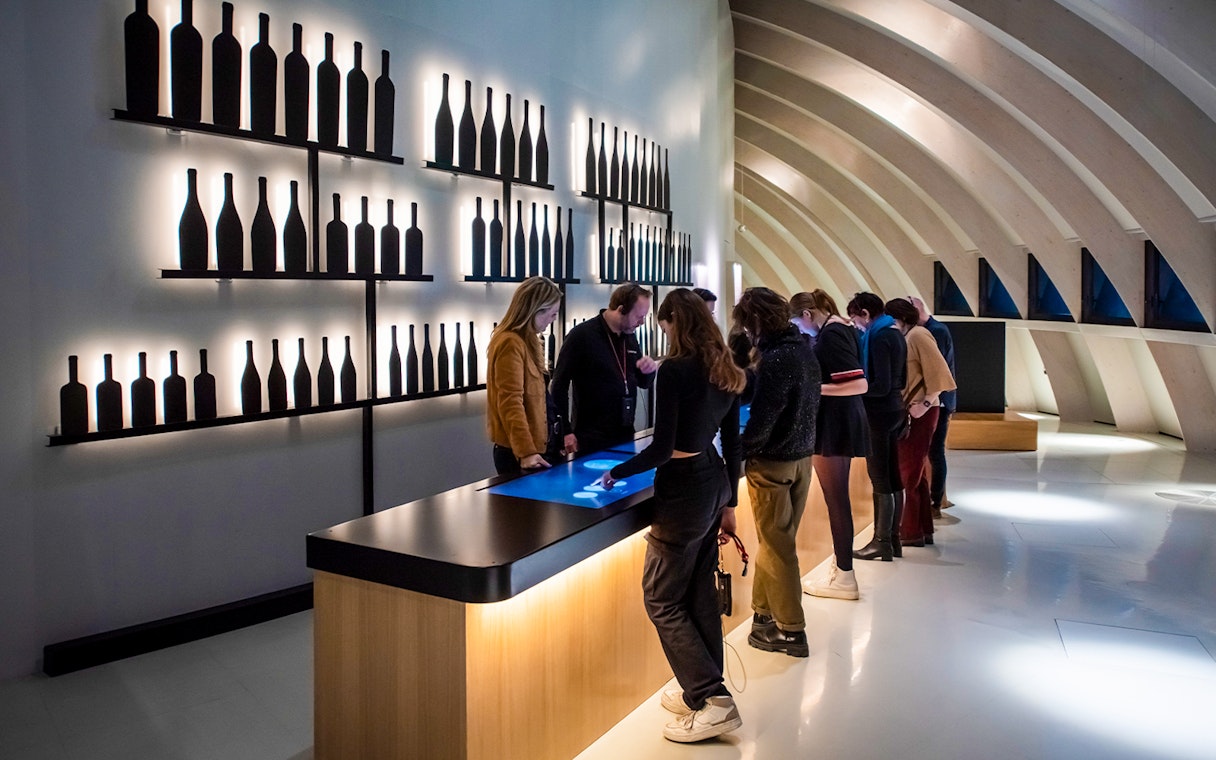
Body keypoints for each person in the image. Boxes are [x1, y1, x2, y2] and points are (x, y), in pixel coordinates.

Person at [599, 288, 746, 743]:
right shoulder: (725, 370)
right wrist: (730, 504)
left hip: (682, 490)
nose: (662, 335)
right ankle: (701, 692)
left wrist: (617, 472)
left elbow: (662, 449)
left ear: (675, 324)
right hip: (714, 480)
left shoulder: (676, 371)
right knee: (698, 590)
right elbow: (734, 443)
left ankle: (712, 697)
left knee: (661, 598)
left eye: (664, 327)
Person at [733, 287, 820, 657]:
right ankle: (762, 617)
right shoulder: (802, 350)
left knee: (777, 546)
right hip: (802, 460)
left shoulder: (776, 359)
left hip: (772, 464)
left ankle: (790, 631)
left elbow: (764, 417)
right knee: (777, 544)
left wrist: (738, 449)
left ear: (755, 322)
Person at [791, 291, 869, 600]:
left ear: (807, 315)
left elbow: (858, 383)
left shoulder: (833, 334)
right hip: (837, 423)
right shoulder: (840, 328)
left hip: (836, 425)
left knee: (836, 500)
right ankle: (842, 569)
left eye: (797, 323)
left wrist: (813, 388)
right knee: (837, 500)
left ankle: (845, 576)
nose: (799, 329)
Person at [550, 283, 658, 455]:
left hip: (625, 433)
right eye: (639, 316)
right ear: (621, 309)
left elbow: (643, 383)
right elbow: (558, 386)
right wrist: (566, 431)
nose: (642, 322)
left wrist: (649, 370)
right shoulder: (581, 336)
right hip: (590, 437)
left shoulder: (629, 337)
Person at [885, 298, 956, 547]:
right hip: (915, 411)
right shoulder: (910, 336)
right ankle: (921, 528)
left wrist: (924, 404)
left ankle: (910, 531)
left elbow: (941, 374)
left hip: (921, 413)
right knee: (915, 472)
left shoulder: (919, 336)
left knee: (909, 472)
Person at [847, 292, 907, 562]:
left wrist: (856, 391)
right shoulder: (895, 333)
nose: (858, 325)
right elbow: (900, 379)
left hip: (879, 414)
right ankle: (892, 538)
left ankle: (881, 541)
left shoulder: (880, 336)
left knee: (880, 476)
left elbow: (880, 384)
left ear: (866, 314)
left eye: (857, 318)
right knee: (892, 475)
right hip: (895, 409)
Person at [485, 277, 563, 475]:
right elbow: (510, 401)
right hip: (521, 454)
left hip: (538, 450)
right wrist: (526, 452)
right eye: (552, 314)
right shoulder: (510, 343)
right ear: (536, 310)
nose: (554, 319)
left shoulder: (527, 341)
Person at [909, 296, 957, 516]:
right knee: (932, 452)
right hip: (936, 401)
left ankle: (936, 501)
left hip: (938, 402)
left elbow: (937, 371)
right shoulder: (930, 330)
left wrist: (927, 402)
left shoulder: (933, 332)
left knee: (935, 452)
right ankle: (936, 499)